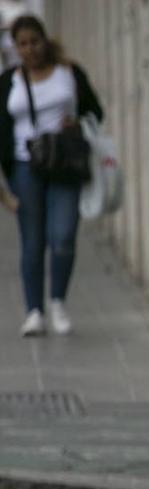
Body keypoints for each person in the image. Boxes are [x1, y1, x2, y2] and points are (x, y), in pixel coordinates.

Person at [0, 14, 104, 337]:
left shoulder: (69, 73)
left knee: (62, 237)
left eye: (34, 41)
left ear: (45, 40)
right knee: (32, 242)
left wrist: (76, 122)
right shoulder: (8, 83)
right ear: (15, 48)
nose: (29, 49)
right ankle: (34, 311)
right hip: (24, 167)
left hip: (65, 165)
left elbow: (96, 111)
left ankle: (58, 301)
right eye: (23, 44)